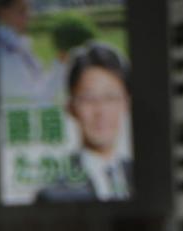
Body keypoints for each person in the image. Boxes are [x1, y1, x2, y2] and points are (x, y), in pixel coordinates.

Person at [38, 41, 133, 201]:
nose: (101, 111)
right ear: (70, 107)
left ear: (126, 104)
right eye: (89, 99)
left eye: (110, 98)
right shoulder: (54, 194)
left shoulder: (144, 175)